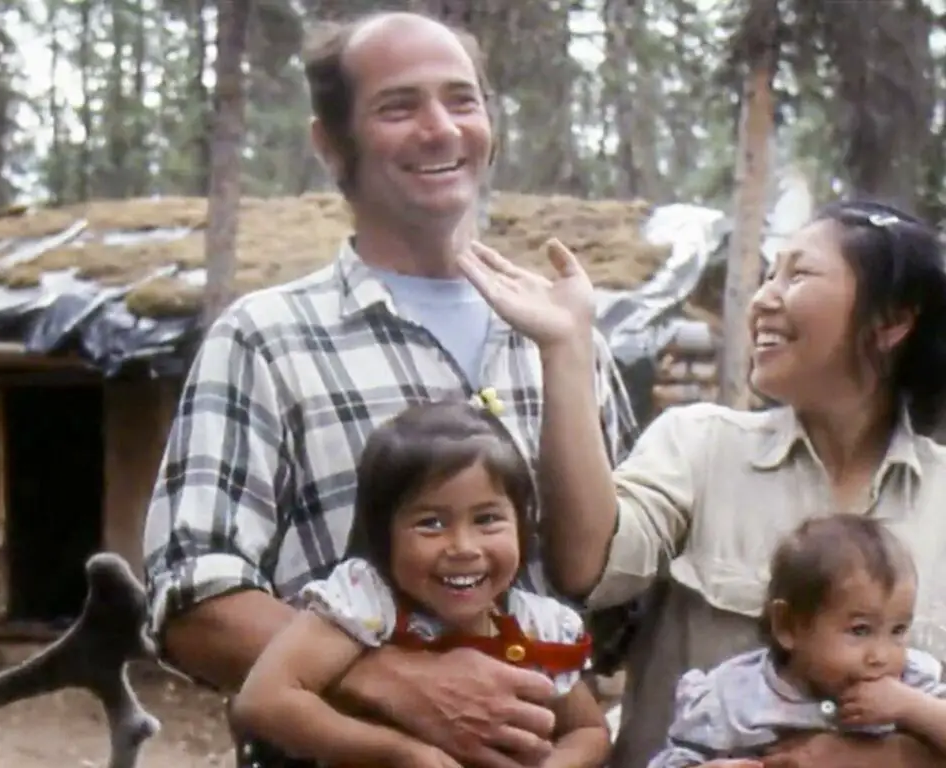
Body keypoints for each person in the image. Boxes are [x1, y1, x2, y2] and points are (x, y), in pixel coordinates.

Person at [141, 10, 633, 768]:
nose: (440, 129)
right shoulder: (267, 340)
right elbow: (191, 599)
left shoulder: (569, 340)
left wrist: (564, 354)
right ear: (332, 144)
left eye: (462, 100)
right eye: (398, 107)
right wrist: (393, 682)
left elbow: (608, 588)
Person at [458, 199, 946, 768]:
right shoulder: (700, 446)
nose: (764, 299)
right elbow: (588, 565)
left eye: (799, 274)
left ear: (891, 321)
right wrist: (567, 348)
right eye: (767, 275)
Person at [231, 399, 610, 768]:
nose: (463, 547)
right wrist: (398, 752)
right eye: (431, 523)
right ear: (383, 534)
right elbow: (265, 699)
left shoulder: (536, 625)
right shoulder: (366, 604)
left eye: (487, 519)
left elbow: (589, 730)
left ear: (522, 526)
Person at [648, 515, 946, 767]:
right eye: (860, 630)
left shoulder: (911, 684)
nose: (881, 656)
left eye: (898, 631)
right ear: (788, 626)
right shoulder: (733, 698)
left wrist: (912, 708)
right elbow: (674, 759)